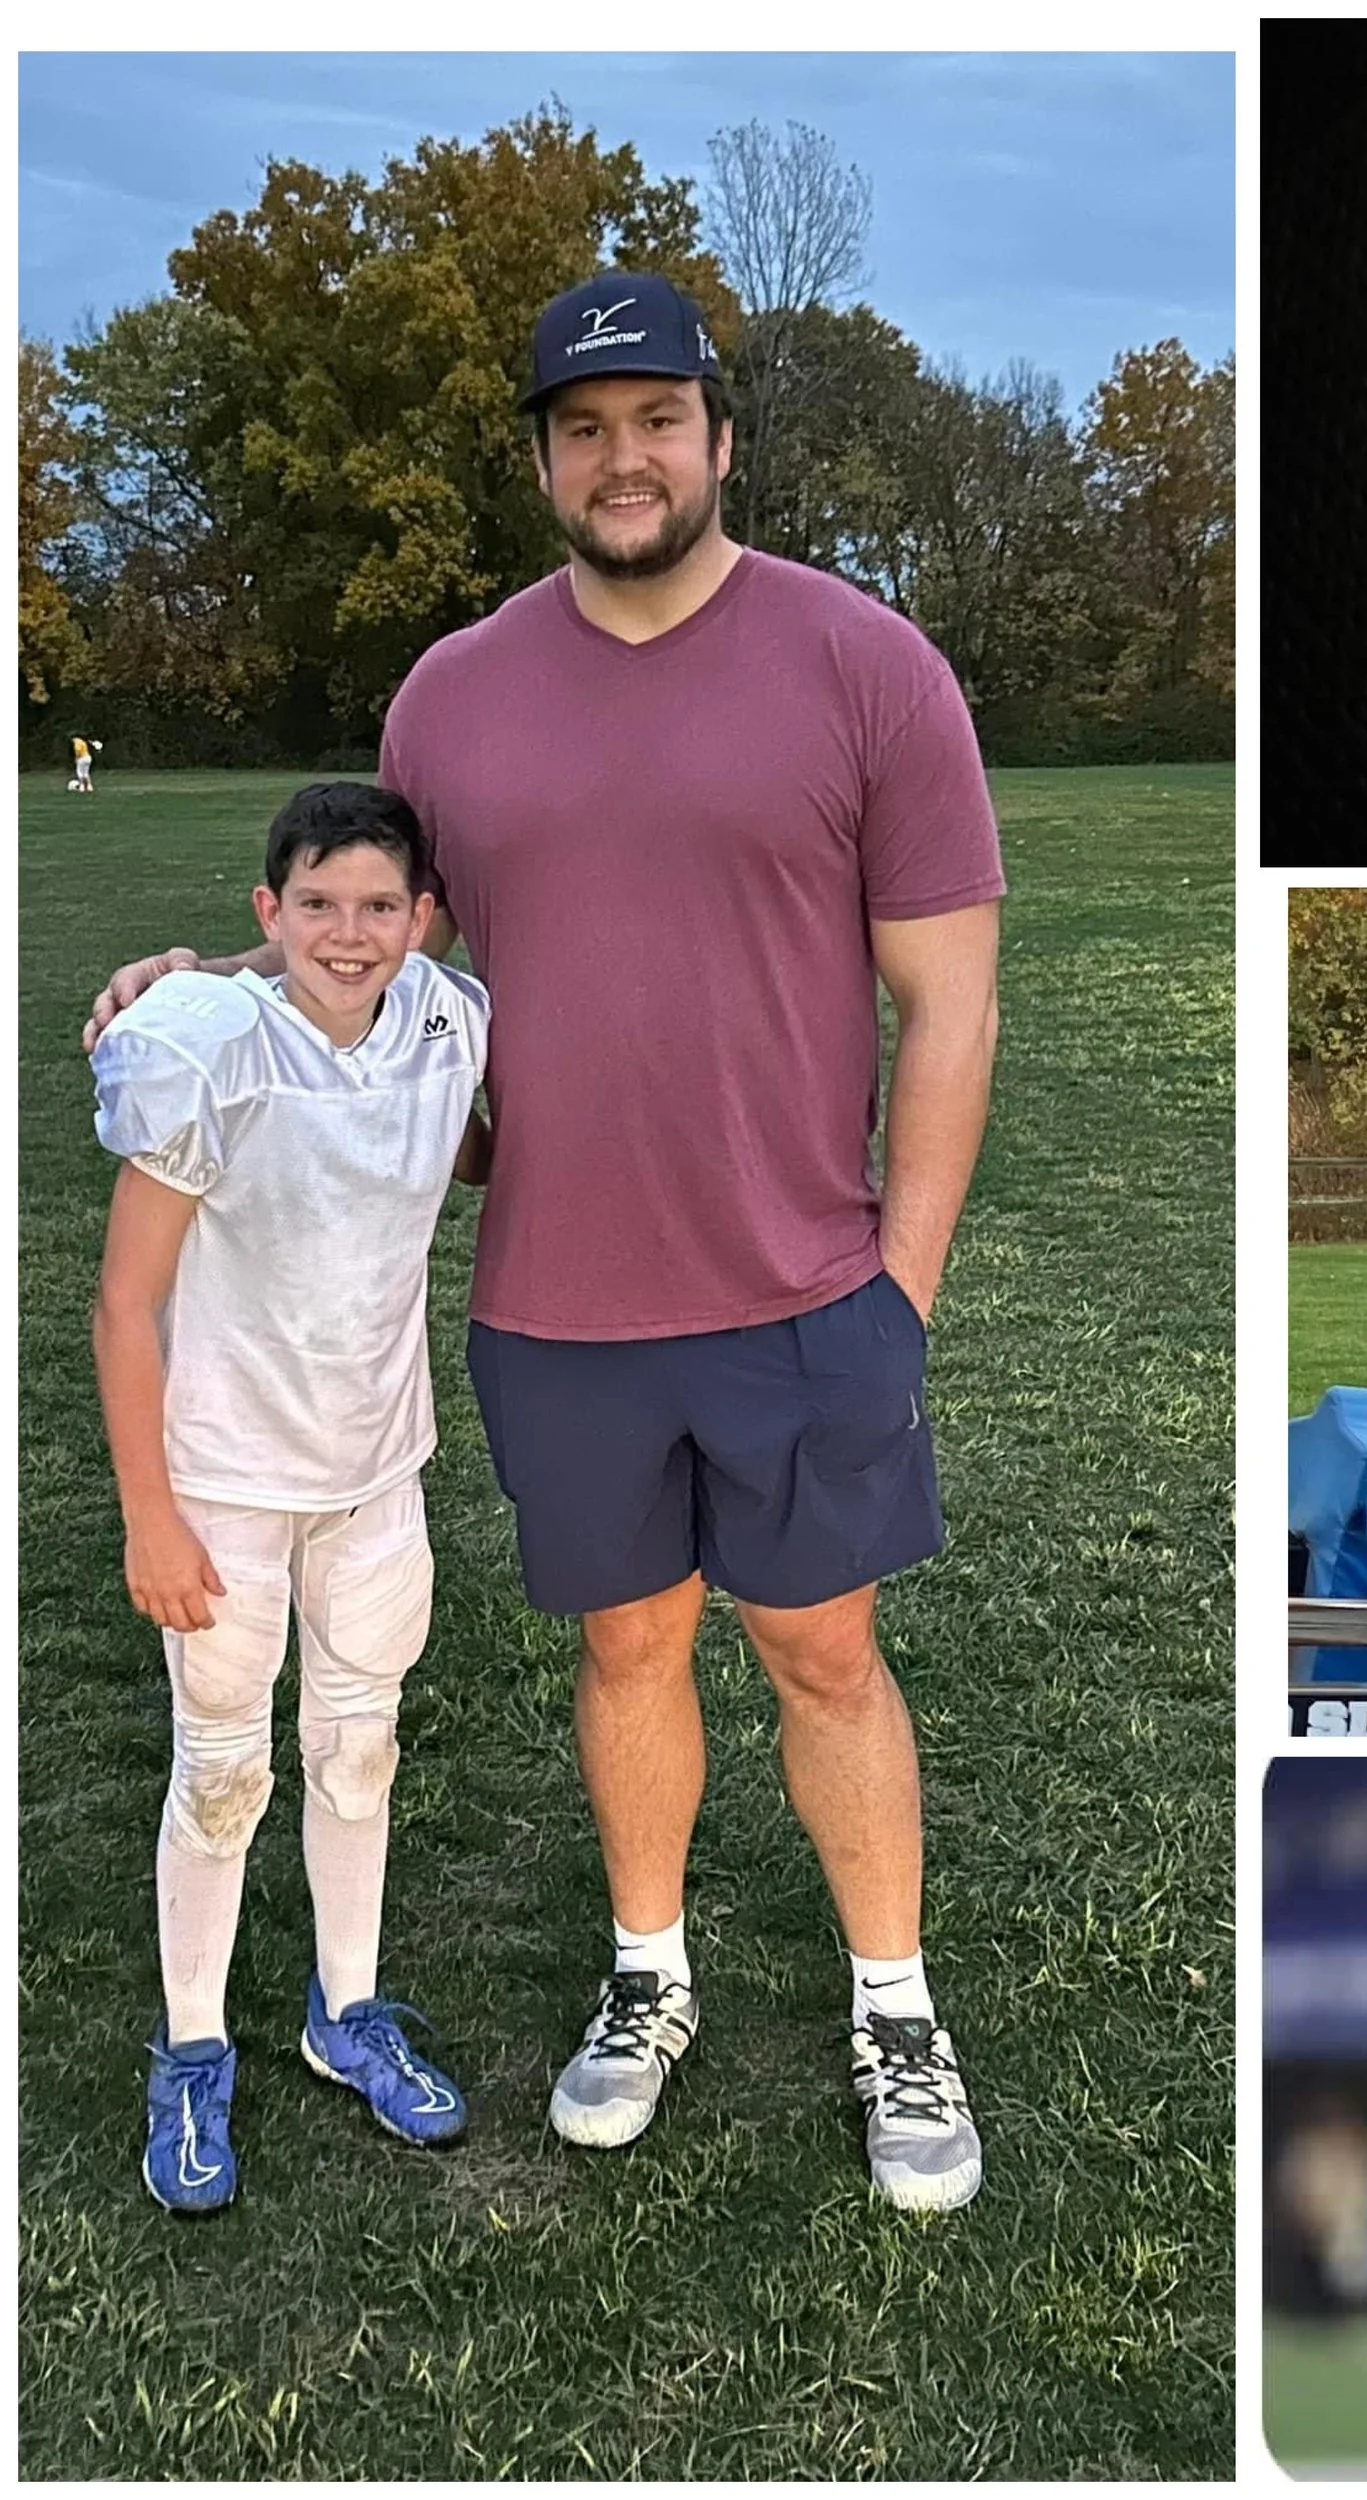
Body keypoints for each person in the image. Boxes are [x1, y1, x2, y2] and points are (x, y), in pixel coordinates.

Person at [83, 271, 1004, 2212]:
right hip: (555, 1305)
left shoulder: (865, 664)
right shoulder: (452, 695)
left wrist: (900, 1279)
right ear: (540, 458)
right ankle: (646, 1975)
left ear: (716, 436)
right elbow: (363, 936)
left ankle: (894, 2005)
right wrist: (205, 981)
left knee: (824, 1652)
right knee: (626, 1642)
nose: (623, 456)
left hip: (801, 1286)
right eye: (581, 426)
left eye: (655, 417)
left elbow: (952, 1000)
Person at [91, 784, 488, 2212]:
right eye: (315, 904)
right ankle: (192, 2044)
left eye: (380, 905)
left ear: (422, 916)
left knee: (360, 1747)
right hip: (226, 1477)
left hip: (376, 1464)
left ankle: (347, 2009)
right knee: (221, 1770)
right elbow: (125, 1305)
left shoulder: (451, 1019)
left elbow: (468, 1134)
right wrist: (150, 1512)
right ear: (267, 914)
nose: (349, 932)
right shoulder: (203, 1046)